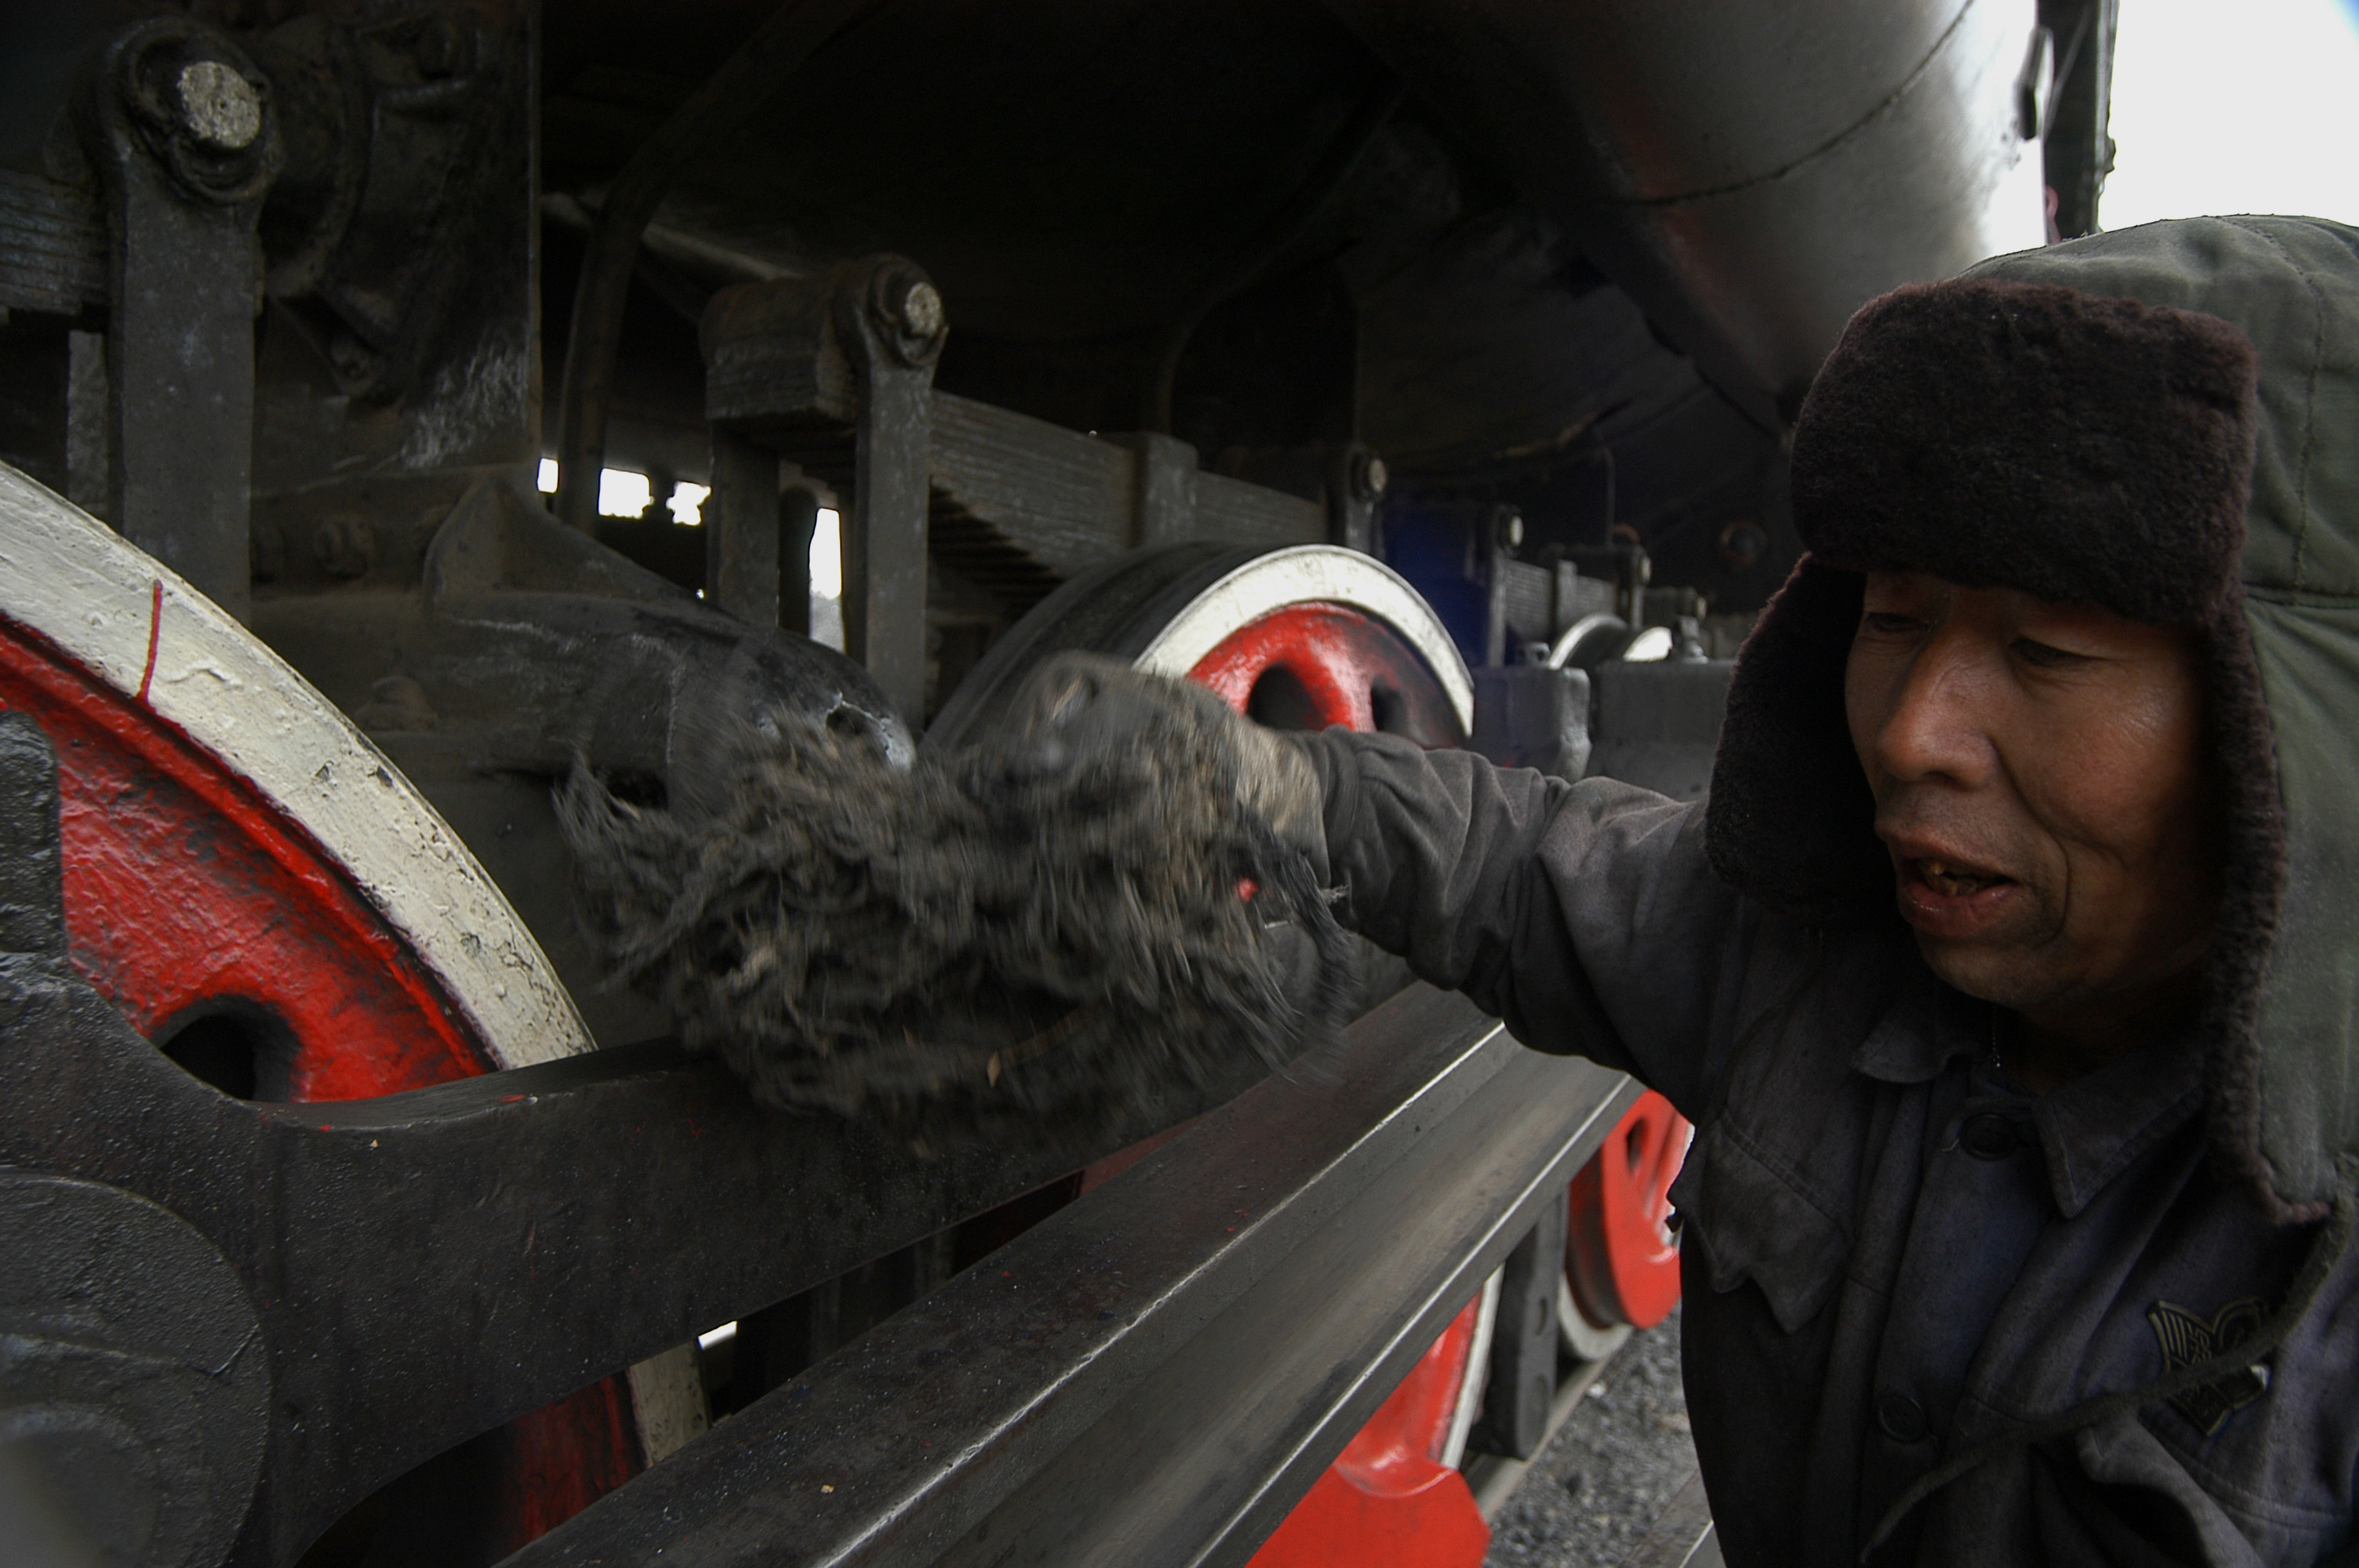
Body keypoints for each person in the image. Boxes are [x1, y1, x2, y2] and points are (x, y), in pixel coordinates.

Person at [1045, 216, 2359, 1564]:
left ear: (2293, 741)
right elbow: (1524, 868)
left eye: (2043, 650)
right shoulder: (1799, 960)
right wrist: (1283, 789)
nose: (1912, 734)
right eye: (1892, 621)